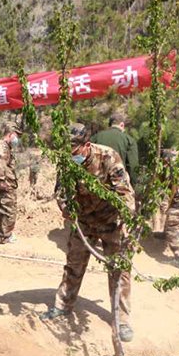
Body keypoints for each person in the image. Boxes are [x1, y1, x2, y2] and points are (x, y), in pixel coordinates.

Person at [41, 123, 136, 343]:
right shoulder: (67, 162)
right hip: (84, 221)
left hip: (112, 222)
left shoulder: (108, 157)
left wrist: (127, 219)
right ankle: (63, 305)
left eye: (74, 150)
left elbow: (125, 193)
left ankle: (121, 319)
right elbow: (61, 191)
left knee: (119, 270)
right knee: (74, 264)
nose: (70, 154)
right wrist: (66, 208)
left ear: (86, 145)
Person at [0, 122, 22, 244]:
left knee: (0, 209)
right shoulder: (2, 147)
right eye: (17, 135)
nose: (17, 139)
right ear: (11, 133)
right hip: (4, 185)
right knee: (9, 209)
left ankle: (1, 234)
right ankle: (5, 236)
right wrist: (2, 181)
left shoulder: (5, 146)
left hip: (0, 184)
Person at [91, 110, 139, 185]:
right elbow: (133, 166)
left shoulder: (95, 138)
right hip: (119, 183)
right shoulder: (129, 140)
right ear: (122, 125)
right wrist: (133, 185)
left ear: (109, 125)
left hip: (97, 183)